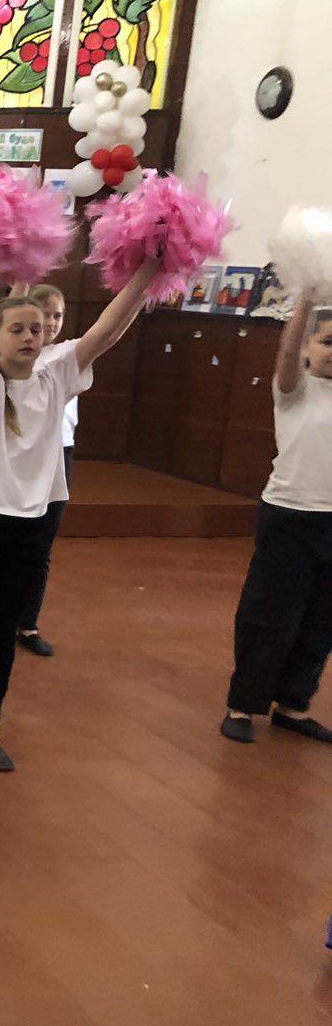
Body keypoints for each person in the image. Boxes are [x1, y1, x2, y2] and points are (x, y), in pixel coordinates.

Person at [0, 261, 155, 773]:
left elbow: (108, 330)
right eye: (17, 329)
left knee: (4, 632)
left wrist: (148, 273)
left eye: (36, 329)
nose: (28, 337)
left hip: (32, 523)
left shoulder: (57, 376)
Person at [220, 298, 332, 744]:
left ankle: (292, 705)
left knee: (320, 618)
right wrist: (305, 298)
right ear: (307, 347)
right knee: (269, 614)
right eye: (327, 341)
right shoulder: (294, 390)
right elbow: (285, 353)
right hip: (288, 516)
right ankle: (243, 705)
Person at [16, 284, 74, 657]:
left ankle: (28, 623)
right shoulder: (17, 356)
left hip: (59, 454)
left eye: (58, 315)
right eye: (45, 314)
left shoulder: (68, 355)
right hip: (25, 455)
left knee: (41, 545)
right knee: (13, 540)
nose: (51, 322)